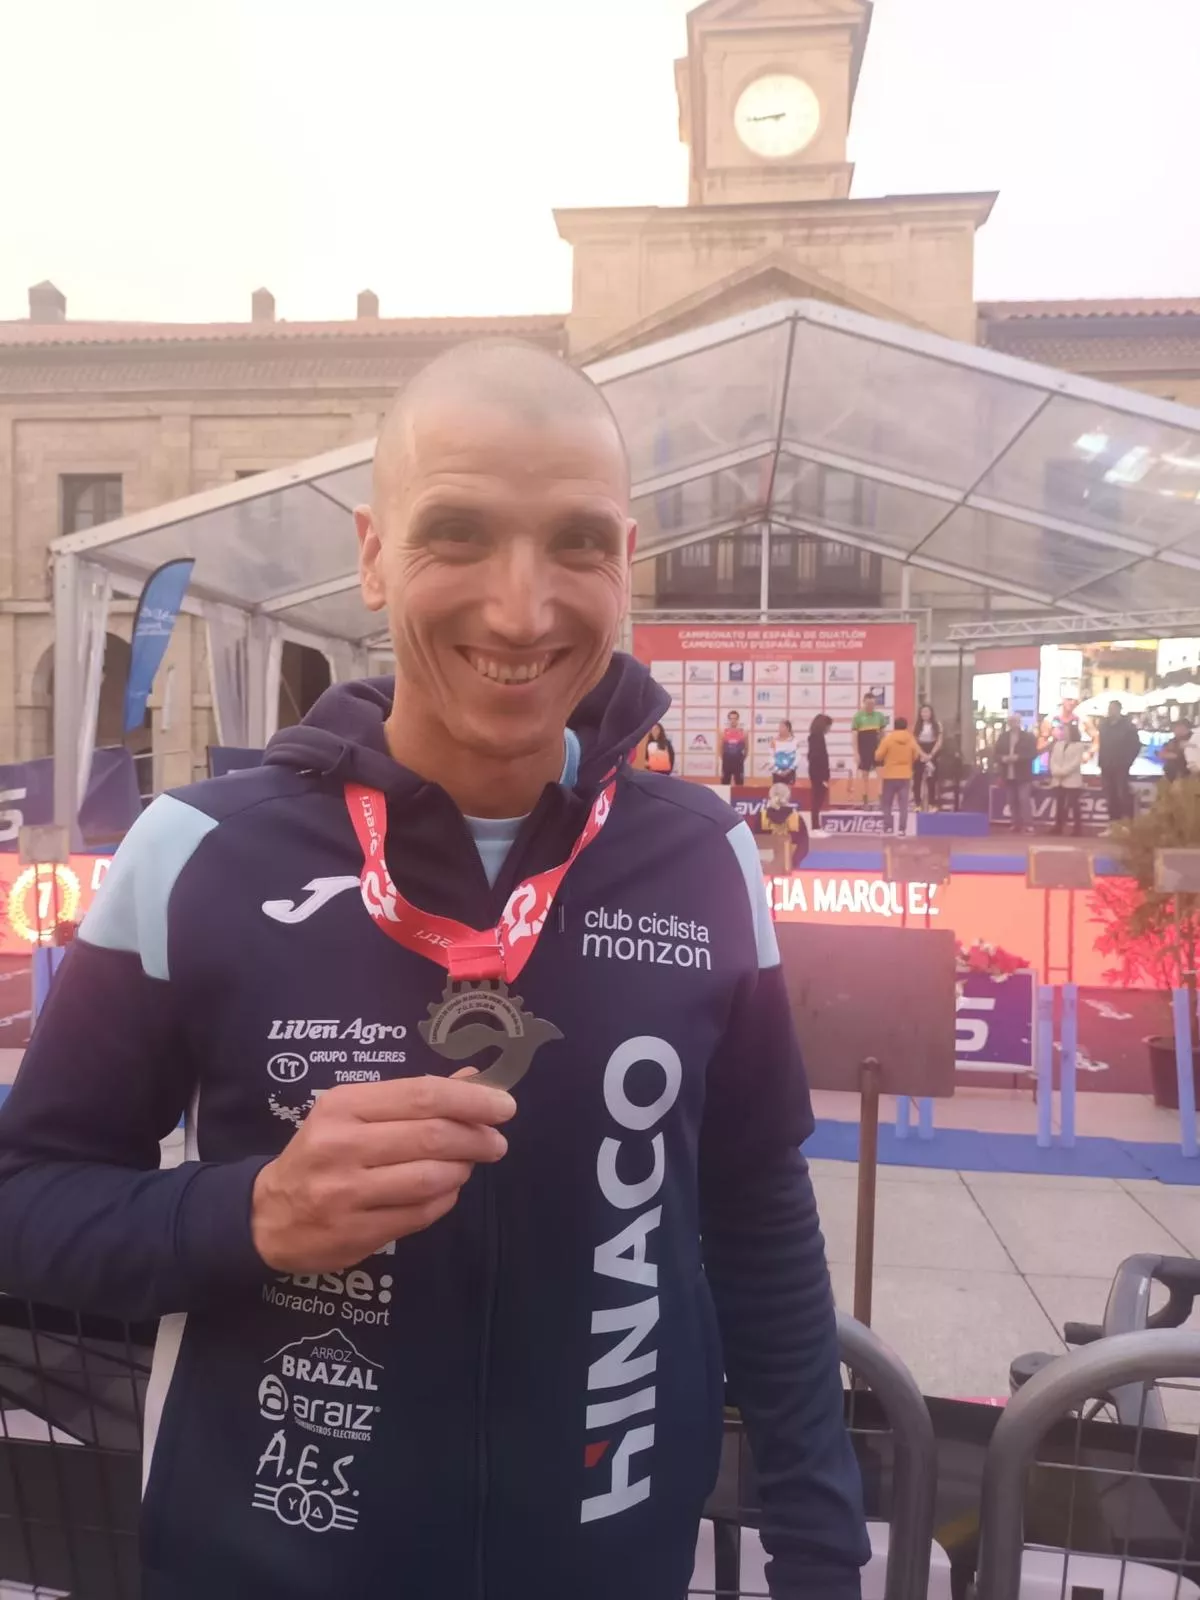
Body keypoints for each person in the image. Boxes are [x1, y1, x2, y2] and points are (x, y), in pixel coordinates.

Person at [0, 342, 867, 1600]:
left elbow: (757, 1217)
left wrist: (823, 1559)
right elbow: (26, 1200)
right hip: (259, 1565)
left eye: (575, 544)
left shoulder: (707, 857)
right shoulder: (195, 851)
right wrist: (246, 1215)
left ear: (626, 562)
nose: (522, 610)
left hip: (610, 1569)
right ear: (373, 552)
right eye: (458, 534)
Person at [873, 716, 922, 836]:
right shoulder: (911, 739)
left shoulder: (888, 739)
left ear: (894, 726)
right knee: (903, 804)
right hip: (905, 775)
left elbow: (878, 756)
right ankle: (902, 829)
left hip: (889, 775)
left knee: (887, 803)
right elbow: (916, 755)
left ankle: (888, 827)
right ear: (906, 727)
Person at [1097, 699, 1142, 826]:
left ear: (1119, 710)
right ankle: (1113, 824)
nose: (1111, 711)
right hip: (1106, 765)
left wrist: (1127, 761)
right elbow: (1102, 745)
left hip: (1121, 766)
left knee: (1122, 795)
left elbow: (1136, 746)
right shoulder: (1103, 725)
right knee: (1110, 796)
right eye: (1110, 709)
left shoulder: (1128, 726)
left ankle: (1126, 823)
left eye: (1114, 709)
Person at [992, 713, 1039, 833]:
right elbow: (996, 754)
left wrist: (1018, 758)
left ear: (1020, 722)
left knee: (1024, 799)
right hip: (1008, 774)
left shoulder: (1028, 737)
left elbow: (1033, 754)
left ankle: (1028, 824)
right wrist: (1003, 759)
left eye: (1016, 721)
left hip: (1023, 775)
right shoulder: (1003, 737)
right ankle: (1015, 823)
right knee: (1012, 800)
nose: (1013, 723)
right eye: (1011, 721)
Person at [1048, 723, 1086, 836]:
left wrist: (1062, 772)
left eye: (1066, 731)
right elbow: (1053, 760)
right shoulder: (1058, 745)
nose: (1064, 733)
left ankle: (1077, 828)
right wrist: (1056, 771)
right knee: (1059, 804)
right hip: (1058, 780)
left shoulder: (1079, 746)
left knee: (1074, 805)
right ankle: (1058, 826)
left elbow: (1075, 762)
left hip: (1072, 780)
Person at [851, 692, 887, 807]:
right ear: (863, 702)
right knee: (864, 776)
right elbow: (854, 736)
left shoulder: (879, 716)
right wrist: (856, 753)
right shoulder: (858, 716)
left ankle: (882, 800)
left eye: (873, 704)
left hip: (877, 749)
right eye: (868, 704)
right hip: (864, 749)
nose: (870, 706)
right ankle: (865, 801)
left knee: (880, 774)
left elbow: (883, 735)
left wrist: (884, 749)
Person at [912, 702, 942, 813]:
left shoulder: (937, 724)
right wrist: (922, 754)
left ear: (931, 713)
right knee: (917, 779)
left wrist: (931, 755)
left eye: (927, 712)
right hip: (920, 751)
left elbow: (939, 741)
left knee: (932, 780)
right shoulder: (917, 726)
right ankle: (917, 803)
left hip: (932, 751)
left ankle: (932, 804)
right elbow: (914, 742)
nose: (925, 714)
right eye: (923, 712)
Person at [807, 714, 833, 837]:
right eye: (829, 726)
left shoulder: (815, 737)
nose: (830, 729)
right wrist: (823, 777)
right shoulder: (817, 738)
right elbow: (817, 758)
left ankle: (816, 826)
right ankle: (815, 827)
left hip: (816, 773)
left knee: (817, 800)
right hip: (818, 774)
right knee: (817, 800)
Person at [1159, 718, 1193, 784]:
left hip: (1185, 776)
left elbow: (1178, 755)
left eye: (1176, 727)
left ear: (1184, 727)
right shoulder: (1172, 740)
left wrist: (1171, 754)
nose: (1174, 730)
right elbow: (1162, 754)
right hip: (1169, 775)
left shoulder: (1193, 740)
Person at [720, 708, 747, 786]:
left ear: (738, 720)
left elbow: (747, 749)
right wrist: (724, 759)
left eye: (735, 719)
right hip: (727, 762)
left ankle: (741, 798)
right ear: (729, 720)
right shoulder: (723, 732)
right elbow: (720, 748)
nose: (733, 721)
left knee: (739, 785)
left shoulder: (743, 732)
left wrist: (741, 759)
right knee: (724, 784)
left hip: (738, 762)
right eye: (731, 719)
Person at [770, 718, 798, 787]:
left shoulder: (794, 741)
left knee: (789, 793)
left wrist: (788, 770)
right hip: (777, 774)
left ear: (788, 728)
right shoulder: (774, 741)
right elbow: (771, 758)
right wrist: (778, 771)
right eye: (779, 727)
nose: (779, 729)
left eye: (782, 727)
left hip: (790, 773)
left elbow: (797, 759)